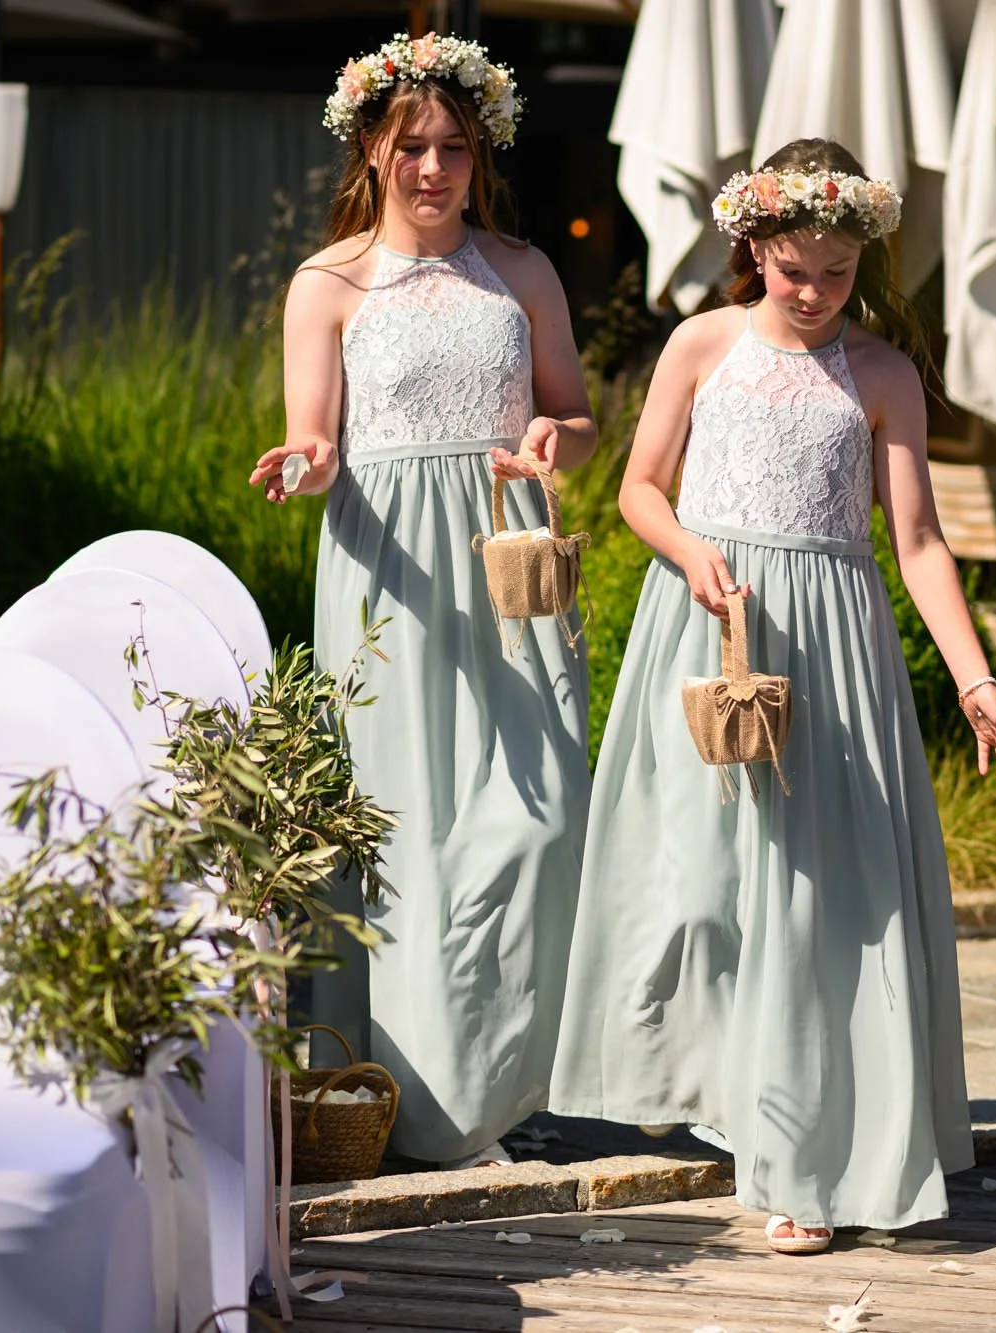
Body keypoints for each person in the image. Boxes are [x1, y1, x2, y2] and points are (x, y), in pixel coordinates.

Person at [548, 140, 996, 1255]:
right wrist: (687, 555)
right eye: (792, 269)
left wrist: (975, 679)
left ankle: (801, 1161)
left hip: (830, 646)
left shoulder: (882, 376)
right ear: (754, 245)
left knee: (813, 902)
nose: (812, 294)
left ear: (862, 258)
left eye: (835, 273)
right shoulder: (700, 344)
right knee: (700, 889)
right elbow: (636, 486)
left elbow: (914, 540)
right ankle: (727, 1097)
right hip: (707, 622)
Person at [246, 33, 596, 1169]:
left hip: (508, 560)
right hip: (386, 573)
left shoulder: (523, 269)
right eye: (412, 147)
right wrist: (299, 465)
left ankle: (498, 1075)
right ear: (371, 149)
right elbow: (315, 436)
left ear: (480, 149)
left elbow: (576, 421)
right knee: (407, 831)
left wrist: (554, 439)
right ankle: (407, 1094)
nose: (434, 168)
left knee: (539, 817)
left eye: (453, 145)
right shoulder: (326, 282)